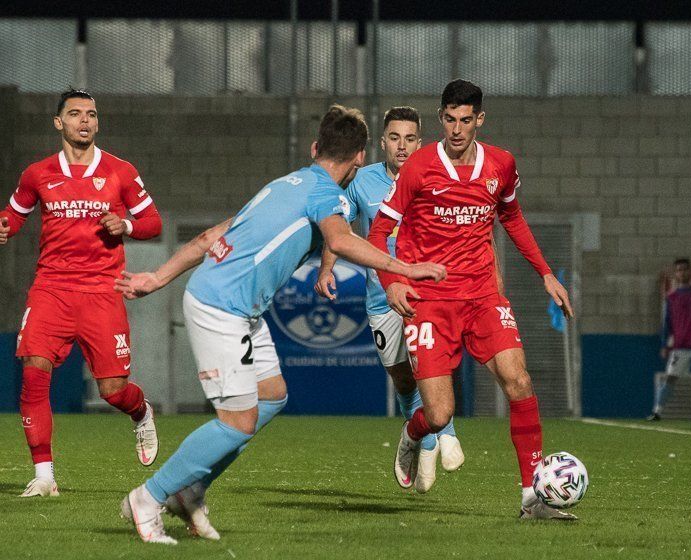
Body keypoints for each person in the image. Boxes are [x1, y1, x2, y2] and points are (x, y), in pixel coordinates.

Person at [115, 105, 446, 545]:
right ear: (360, 158)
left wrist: (157, 276)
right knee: (237, 421)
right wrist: (405, 267)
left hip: (237, 306)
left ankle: (190, 491)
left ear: (315, 148)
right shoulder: (325, 194)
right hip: (221, 307)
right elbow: (342, 239)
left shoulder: (281, 185)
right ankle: (149, 496)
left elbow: (209, 235)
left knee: (271, 397)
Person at [367, 80, 575, 520]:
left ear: (479, 119)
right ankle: (413, 433)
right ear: (441, 118)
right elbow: (378, 232)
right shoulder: (420, 167)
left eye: (466, 120)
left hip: (482, 295)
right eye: (450, 119)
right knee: (440, 415)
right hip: (429, 301)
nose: (457, 129)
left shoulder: (502, 164)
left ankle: (532, 499)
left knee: (519, 381)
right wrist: (392, 284)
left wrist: (545, 273)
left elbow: (512, 217)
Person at [0, 89, 162, 498]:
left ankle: (141, 412)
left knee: (112, 391)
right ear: (59, 123)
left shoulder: (120, 171)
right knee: (34, 373)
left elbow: (152, 222)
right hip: (51, 288)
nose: (84, 121)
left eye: (90, 114)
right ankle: (44, 476)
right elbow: (14, 214)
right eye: (75, 114)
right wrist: (4, 226)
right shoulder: (37, 174)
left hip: (101, 291)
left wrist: (124, 226)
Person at [315, 106, 464, 493]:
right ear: (382, 142)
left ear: (421, 141)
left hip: (425, 295)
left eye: (410, 138)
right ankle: (414, 435)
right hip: (380, 297)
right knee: (403, 379)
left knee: (429, 367)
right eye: (395, 138)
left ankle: (439, 433)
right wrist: (326, 267)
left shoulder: (437, 177)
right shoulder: (362, 182)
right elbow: (338, 223)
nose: (402, 146)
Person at [647, 258, 691, 421]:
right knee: (670, 378)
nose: (682, 273)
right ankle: (657, 412)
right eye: (679, 270)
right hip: (680, 347)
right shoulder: (672, 297)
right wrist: (664, 345)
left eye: (685, 269)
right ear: (675, 274)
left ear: (690, 271)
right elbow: (667, 323)